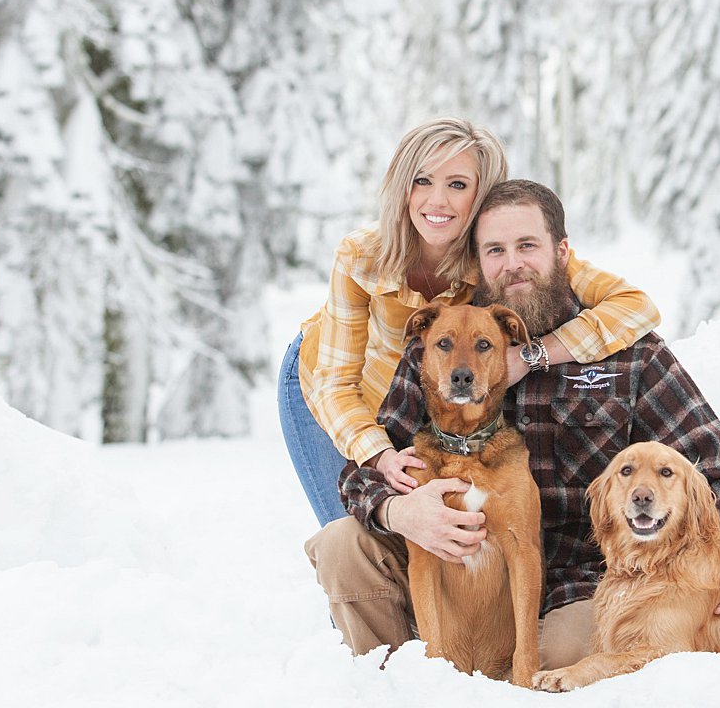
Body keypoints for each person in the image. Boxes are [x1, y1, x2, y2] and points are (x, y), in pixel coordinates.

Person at [304, 180, 720, 672]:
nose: (512, 263)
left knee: (563, 663)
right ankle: (403, 686)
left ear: (562, 252)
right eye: (495, 249)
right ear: (478, 260)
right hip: (454, 575)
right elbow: (364, 471)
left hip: (575, 586)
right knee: (343, 546)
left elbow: (711, 465)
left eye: (527, 246)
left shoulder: (631, 356)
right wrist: (398, 512)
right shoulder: (450, 346)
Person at [278, 120, 661, 526]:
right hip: (327, 390)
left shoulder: (498, 257)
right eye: (422, 180)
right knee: (354, 531)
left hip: (422, 399)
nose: (437, 200)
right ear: (402, 185)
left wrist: (533, 355)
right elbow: (335, 382)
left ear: (482, 195)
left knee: (425, 545)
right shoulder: (361, 256)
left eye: (458, 185)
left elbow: (635, 307)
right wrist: (378, 453)